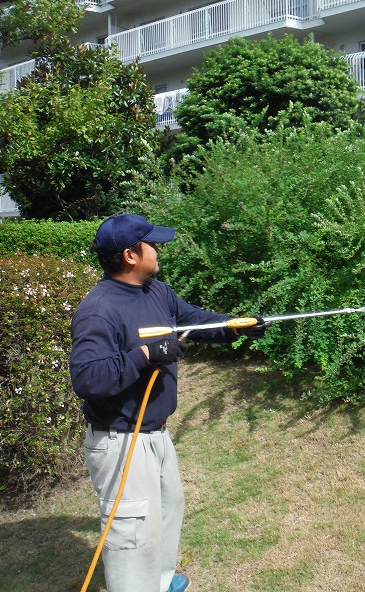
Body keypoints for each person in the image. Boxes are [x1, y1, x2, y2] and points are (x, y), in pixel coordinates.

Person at [70, 214, 266, 592]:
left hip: (155, 433)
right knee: (133, 533)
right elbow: (88, 378)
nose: (159, 251)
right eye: (152, 245)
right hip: (121, 441)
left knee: (167, 508)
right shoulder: (99, 309)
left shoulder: (155, 291)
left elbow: (194, 321)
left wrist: (235, 326)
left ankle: (159, 583)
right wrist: (144, 354)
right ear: (130, 255)